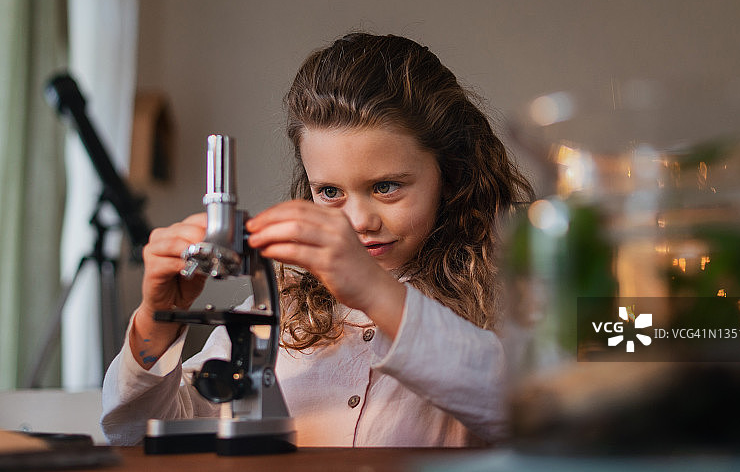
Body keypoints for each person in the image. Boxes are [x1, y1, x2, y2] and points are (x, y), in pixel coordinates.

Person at [101, 32, 534, 447]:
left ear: (451, 173)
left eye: (386, 186)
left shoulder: (525, 290)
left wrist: (377, 293)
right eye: (330, 192)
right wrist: (157, 319)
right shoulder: (277, 310)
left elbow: (562, 419)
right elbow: (134, 435)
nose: (358, 222)